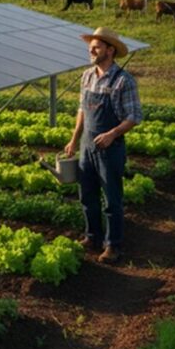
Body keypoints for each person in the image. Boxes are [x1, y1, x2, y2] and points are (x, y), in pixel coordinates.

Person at [63, 27, 142, 264]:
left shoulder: (123, 80)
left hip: (110, 147)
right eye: (91, 46)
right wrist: (75, 139)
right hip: (87, 144)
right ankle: (92, 236)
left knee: (112, 199)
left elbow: (134, 116)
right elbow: (82, 110)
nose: (91, 50)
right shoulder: (87, 76)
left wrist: (112, 133)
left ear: (110, 50)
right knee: (87, 195)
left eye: (96, 47)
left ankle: (113, 245)